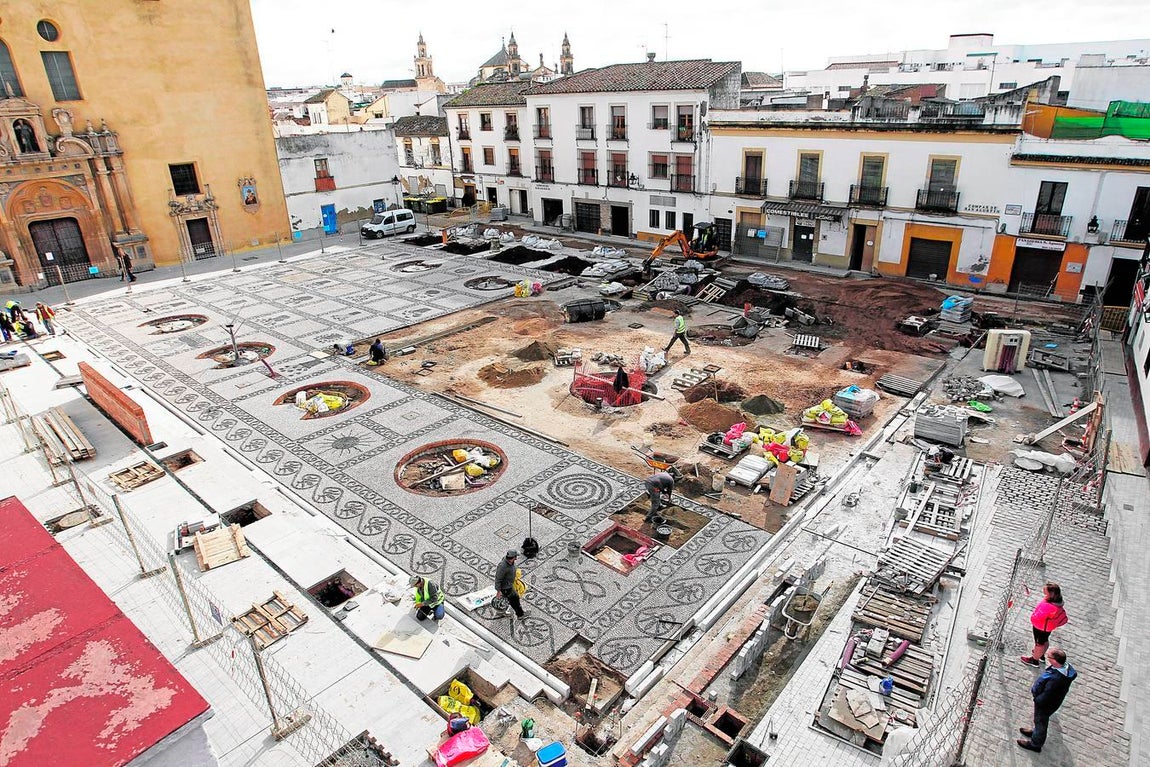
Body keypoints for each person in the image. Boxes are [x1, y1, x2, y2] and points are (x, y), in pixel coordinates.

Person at [1017, 647, 1077, 753]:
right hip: (1051, 701)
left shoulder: (1056, 679)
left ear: (1055, 661)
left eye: (1049, 657)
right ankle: (1035, 732)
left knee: (1041, 722)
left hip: (1045, 704)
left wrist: (1038, 699)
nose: (1047, 658)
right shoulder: (1064, 668)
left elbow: (1047, 693)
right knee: (1038, 721)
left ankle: (1036, 744)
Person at [1022, 582, 1067, 667]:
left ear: (1051, 593)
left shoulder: (1049, 606)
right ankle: (1041, 655)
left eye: (1045, 589)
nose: (1043, 590)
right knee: (1044, 640)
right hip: (1047, 627)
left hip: (1041, 627)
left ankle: (1034, 660)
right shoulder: (1057, 601)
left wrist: (1034, 616)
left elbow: (1039, 615)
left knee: (1039, 643)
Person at [494, 549, 525, 618]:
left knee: (504, 599)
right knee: (515, 600)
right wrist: (498, 591)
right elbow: (498, 579)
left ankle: (500, 612)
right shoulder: (502, 567)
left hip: (509, 584)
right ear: (512, 558)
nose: (516, 558)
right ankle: (520, 615)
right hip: (506, 588)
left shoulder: (511, 562)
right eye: (515, 556)